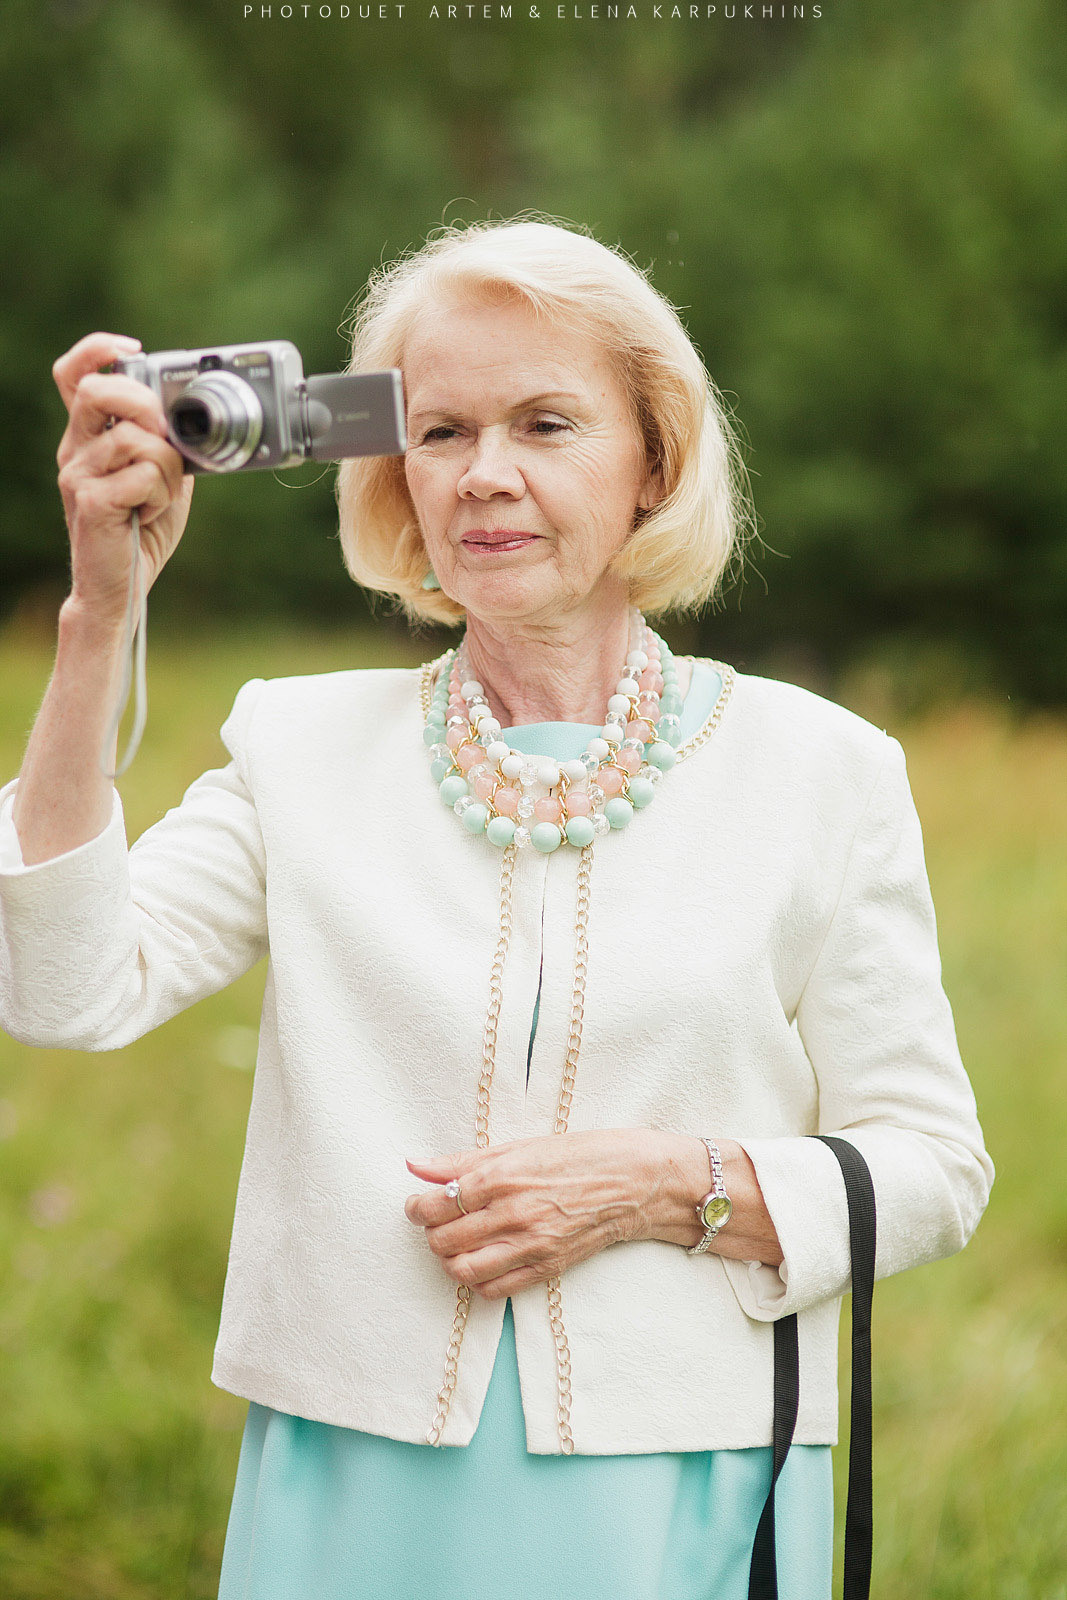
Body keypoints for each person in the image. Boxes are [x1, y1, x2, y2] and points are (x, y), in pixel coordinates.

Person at [0, 219, 993, 1600]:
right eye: (445, 430)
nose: (488, 477)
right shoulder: (294, 750)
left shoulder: (822, 772)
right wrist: (100, 618)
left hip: (686, 1474)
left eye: (546, 423)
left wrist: (668, 1181)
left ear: (654, 456)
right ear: (394, 471)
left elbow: (937, 1166)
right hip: (353, 1476)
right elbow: (61, 988)